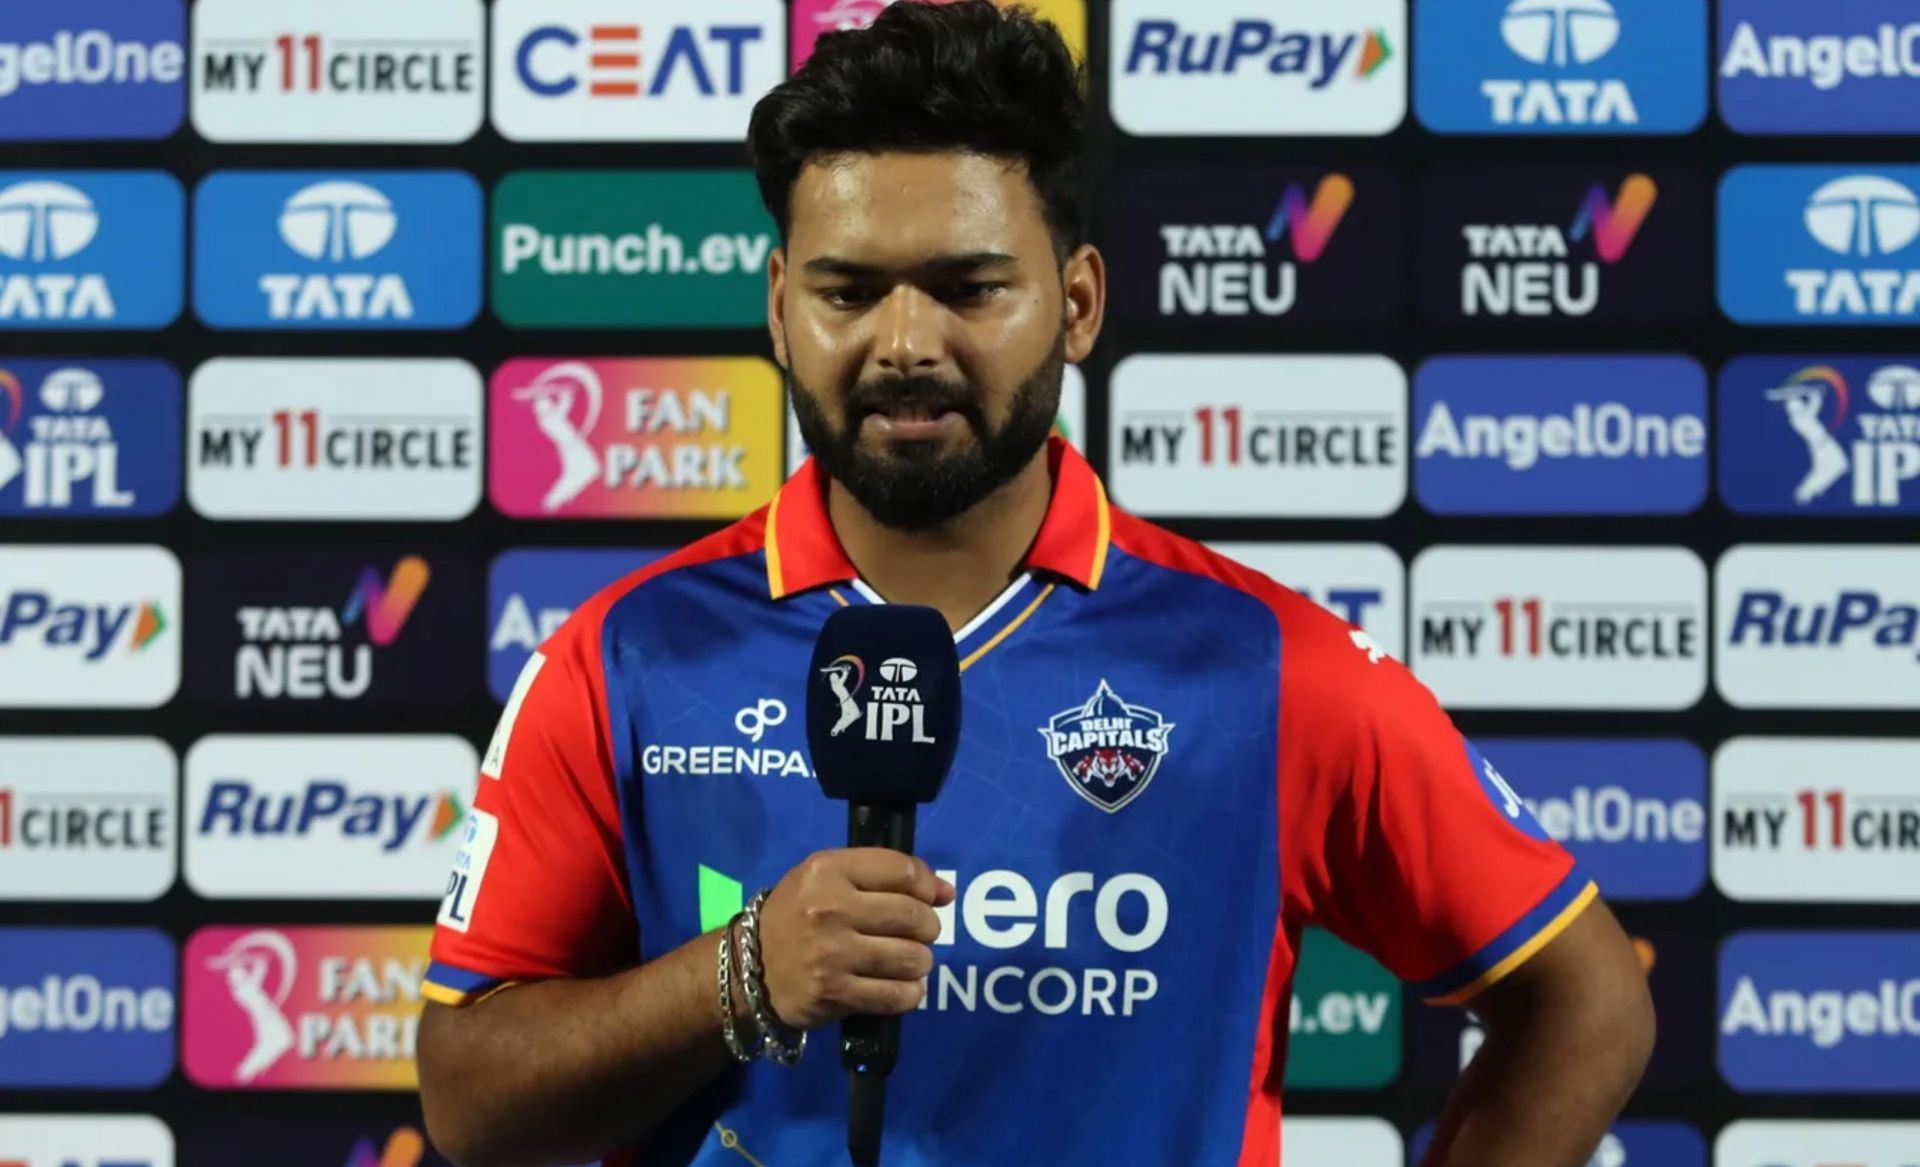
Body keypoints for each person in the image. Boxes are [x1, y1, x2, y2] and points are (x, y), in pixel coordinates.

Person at [414, 3, 1655, 1165]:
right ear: (781, 314)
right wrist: (743, 973)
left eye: (968, 288)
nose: (904, 344)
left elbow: (1587, 1002)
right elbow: (468, 1098)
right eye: (849, 292)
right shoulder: (628, 655)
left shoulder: (1266, 666)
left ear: (1075, 304)